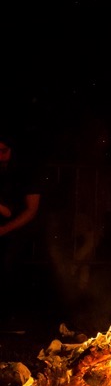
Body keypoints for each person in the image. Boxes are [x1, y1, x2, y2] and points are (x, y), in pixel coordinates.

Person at [0, 133, 43, 322]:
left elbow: (30, 211)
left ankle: (10, 314)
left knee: (9, 262)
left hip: (21, 227)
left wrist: (4, 229)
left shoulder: (25, 172)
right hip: (5, 223)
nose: (0, 156)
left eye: (3, 151)